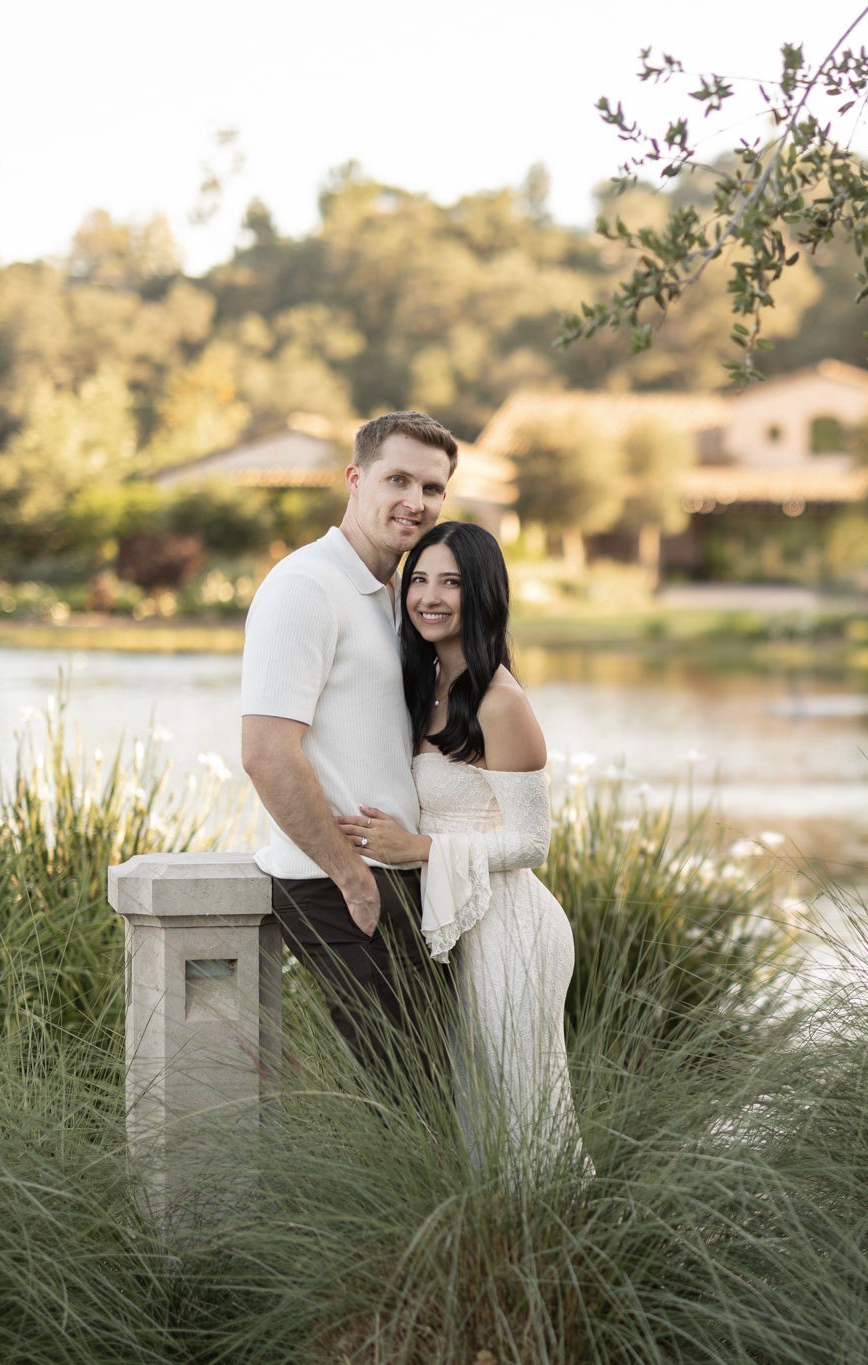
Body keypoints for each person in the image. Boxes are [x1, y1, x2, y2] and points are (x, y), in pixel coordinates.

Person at [337, 521, 583, 1162]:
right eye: (418, 580)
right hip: (461, 924)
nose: (430, 596)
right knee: (478, 1105)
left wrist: (416, 850)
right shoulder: (424, 690)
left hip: (514, 928)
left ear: (482, 594)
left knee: (527, 1106)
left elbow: (533, 842)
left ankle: (564, 1243)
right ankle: (498, 1243)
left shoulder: (501, 702)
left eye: (451, 581)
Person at [240, 410, 458, 1105]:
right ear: (355, 478)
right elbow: (267, 752)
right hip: (336, 885)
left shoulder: (395, 595)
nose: (415, 501)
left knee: (435, 1092)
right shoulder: (305, 586)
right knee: (414, 1095)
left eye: (432, 487)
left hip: (400, 878)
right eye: (398, 479)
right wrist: (352, 878)